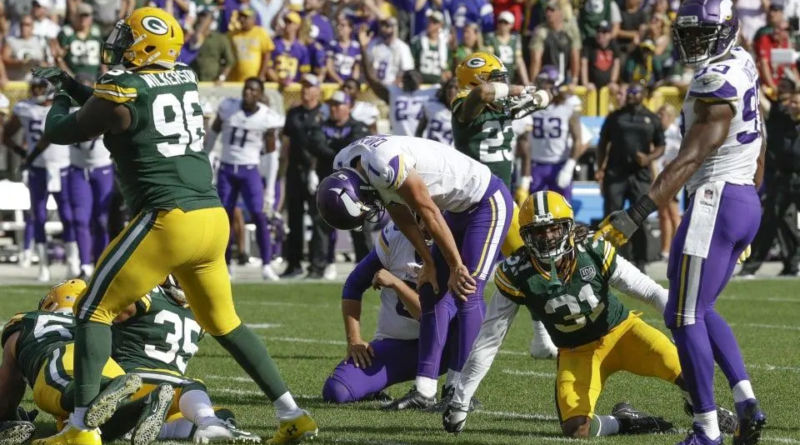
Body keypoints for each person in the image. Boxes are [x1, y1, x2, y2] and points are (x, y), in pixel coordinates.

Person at [31, 7, 317, 444]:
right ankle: (292, 414)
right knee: (225, 323)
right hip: (211, 218)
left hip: (167, 218)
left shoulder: (121, 87)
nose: (120, 44)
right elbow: (116, 103)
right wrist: (71, 83)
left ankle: (80, 427)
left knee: (92, 310)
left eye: (128, 37)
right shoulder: (182, 74)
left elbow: (66, 130)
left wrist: (58, 97)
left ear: (146, 46)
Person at [595, 1, 768, 443]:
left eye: (702, 34)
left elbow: (691, 157)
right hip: (741, 198)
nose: (694, 42)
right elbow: (760, 140)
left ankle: (706, 428)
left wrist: (636, 215)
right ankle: (746, 400)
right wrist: (749, 200)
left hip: (716, 199)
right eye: (689, 34)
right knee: (695, 309)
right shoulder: (741, 63)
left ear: (726, 29)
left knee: (682, 315)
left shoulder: (714, 80)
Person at [442, 191, 736, 438]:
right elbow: (489, 340)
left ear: (568, 226)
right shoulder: (515, 273)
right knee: (575, 428)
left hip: (623, 333)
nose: (547, 238)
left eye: (553, 228)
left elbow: (651, 292)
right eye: (538, 231)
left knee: (693, 372)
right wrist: (461, 400)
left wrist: (686, 328)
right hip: (576, 351)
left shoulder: (593, 250)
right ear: (525, 236)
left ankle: (702, 406)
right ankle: (626, 421)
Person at [316, 134, 514, 410]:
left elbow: (428, 211)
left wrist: (456, 265)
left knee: (467, 290)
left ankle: (458, 393)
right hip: (452, 208)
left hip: (484, 201)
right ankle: (424, 391)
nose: (371, 209)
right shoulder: (347, 162)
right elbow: (398, 209)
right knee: (430, 291)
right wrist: (428, 262)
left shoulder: (382, 165)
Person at [0, 279, 174, 445]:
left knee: (61, 392)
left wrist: (7, 414)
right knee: (94, 425)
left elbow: (7, 385)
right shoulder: (98, 322)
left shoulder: (28, 320)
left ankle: (109, 387)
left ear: (50, 304)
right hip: (104, 362)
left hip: (61, 356)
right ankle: (145, 402)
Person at [322, 222, 460, 404]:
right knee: (337, 390)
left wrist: (397, 284)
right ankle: (372, 388)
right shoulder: (396, 235)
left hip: (443, 348)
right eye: (418, 216)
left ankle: (446, 390)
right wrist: (354, 340)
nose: (425, 225)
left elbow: (431, 315)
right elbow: (353, 286)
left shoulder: (454, 242)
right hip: (396, 345)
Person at [112, 277, 260, 443]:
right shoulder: (146, 294)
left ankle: (142, 428)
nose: (190, 280)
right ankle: (209, 424)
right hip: (132, 381)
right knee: (193, 389)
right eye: (184, 274)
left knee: (223, 415)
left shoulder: (200, 311)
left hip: (169, 395)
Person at [205, 78, 284, 281]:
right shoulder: (228, 107)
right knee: (225, 219)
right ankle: (226, 264)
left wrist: (270, 191)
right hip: (226, 169)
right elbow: (213, 134)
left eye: (254, 90)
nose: (249, 92)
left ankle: (266, 265)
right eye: (247, 88)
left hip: (250, 170)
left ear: (260, 95)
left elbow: (271, 155)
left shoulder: (267, 117)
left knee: (259, 215)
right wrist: (205, 159)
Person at [4, 78, 78, 282]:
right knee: (38, 215)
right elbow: (6, 135)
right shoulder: (24, 108)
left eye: (40, 88)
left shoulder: (64, 107)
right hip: (38, 168)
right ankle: (43, 265)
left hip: (63, 165)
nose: (36, 92)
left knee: (67, 214)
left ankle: (73, 262)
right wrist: (22, 153)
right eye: (34, 87)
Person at [595, 85, 665, 272]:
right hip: (615, 174)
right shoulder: (615, 117)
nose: (633, 96)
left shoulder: (651, 118)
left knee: (639, 216)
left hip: (639, 175)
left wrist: (649, 158)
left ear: (644, 95)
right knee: (612, 215)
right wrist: (600, 168)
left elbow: (661, 146)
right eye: (630, 93)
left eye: (636, 93)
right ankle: (610, 257)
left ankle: (641, 260)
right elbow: (602, 144)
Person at [739, 78, 800, 277]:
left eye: (794, 101)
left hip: (795, 179)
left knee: (787, 222)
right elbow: (762, 101)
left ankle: (793, 263)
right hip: (781, 179)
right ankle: (759, 265)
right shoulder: (779, 116)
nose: (790, 104)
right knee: (775, 221)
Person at [309, 91, 371, 279]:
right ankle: (317, 267)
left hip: (354, 187)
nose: (333, 109)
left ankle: (368, 268)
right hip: (327, 184)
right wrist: (341, 150)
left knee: (360, 225)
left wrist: (335, 148)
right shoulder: (321, 126)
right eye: (331, 105)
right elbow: (318, 146)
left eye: (338, 105)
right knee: (320, 224)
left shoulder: (358, 126)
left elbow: (355, 146)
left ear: (348, 106)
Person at [279, 74, 333, 278]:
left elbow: (325, 144)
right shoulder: (293, 113)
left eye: (310, 87)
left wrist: (316, 169)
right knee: (294, 219)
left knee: (318, 219)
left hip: (318, 171)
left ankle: (317, 265)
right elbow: (287, 143)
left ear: (318, 90)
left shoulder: (325, 113)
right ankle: (293, 264)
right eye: (304, 86)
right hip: (295, 169)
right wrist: (281, 171)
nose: (305, 90)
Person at [67, 74, 115, 280]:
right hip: (78, 170)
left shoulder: (107, 111)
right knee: (79, 219)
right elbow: (48, 136)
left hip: (103, 169)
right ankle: (84, 264)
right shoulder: (69, 113)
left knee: (102, 220)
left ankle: (100, 263)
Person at [360, 24, 436, 137]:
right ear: (402, 80)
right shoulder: (393, 93)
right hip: (399, 143)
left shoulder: (429, 94)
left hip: (422, 144)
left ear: (421, 81)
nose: (411, 77)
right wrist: (363, 48)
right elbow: (370, 78)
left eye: (414, 76)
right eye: (408, 76)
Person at [528, 65, 584, 202]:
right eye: (541, 82)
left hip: (559, 165)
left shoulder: (567, 106)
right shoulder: (529, 104)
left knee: (563, 211)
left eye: (548, 82)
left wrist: (569, 167)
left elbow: (578, 139)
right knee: (534, 212)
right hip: (535, 165)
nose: (544, 86)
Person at [655, 104, 682, 261]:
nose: (660, 118)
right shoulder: (660, 133)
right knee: (663, 214)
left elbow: (683, 152)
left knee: (673, 212)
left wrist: (672, 164)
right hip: (659, 176)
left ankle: (677, 248)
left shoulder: (675, 133)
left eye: (662, 115)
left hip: (672, 177)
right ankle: (665, 249)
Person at [55, 3, 104, 79]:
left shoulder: (96, 32)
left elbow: (103, 56)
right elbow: (59, 58)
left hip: (94, 76)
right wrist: (69, 75)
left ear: (91, 17)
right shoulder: (67, 33)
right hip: (74, 76)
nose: (83, 19)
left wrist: (104, 74)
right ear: (75, 16)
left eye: (86, 16)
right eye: (80, 16)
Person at [228, 8, 274, 82]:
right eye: (241, 17)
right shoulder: (232, 35)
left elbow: (266, 56)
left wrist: (261, 75)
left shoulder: (260, 33)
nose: (242, 19)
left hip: (253, 79)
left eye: (246, 17)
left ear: (253, 19)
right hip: (234, 79)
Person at [365, 18, 414, 87]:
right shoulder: (374, 44)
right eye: (382, 25)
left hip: (394, 87)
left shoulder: (402, 47)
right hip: (375, 86)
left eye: (387, 26)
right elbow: (367, 65)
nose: (383, 28)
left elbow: (407, 71)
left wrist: (394, 86)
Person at [484, 11, 529, 85]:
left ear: (511, 25)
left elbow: (519, 61)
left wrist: (526, 81)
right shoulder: (491, 38)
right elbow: (489, 59)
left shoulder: (515, 39)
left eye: (505, 22)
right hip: (495, 80)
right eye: (500, 22)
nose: (502, 25)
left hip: (512, 78)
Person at [267, 11, 310, 85]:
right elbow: (268, 67)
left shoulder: (301, 48)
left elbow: (304, 72)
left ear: (297, 26)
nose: (287, 25)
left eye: (290, 22)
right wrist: (278, 80)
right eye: (285, 22)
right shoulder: (274, 43)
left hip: (293, 88)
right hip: (274, 85)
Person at [410, 10, 450, 84]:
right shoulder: (417, 42)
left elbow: (447, 69)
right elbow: (410, 65)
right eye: (429, 21)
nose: (430, 24)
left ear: (440, 25)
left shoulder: (445, 46)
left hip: (437, 86)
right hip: (419, 86)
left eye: (434, 22)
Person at [416, 78, 457, 147]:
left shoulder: (464, 113)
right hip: (431, 151)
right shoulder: (432, 106)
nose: (452, 90)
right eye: (450, 87)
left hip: (450, 154)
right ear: (444, 89)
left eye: (456, 88)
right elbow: (419, 130)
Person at [326, 15, 361, 85]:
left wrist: (352, 82)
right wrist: (339, 81)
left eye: (343, 25)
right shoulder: (333, 44)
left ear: (350, 29)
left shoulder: (356, 46)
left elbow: (356, 68)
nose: (339, 28)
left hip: (349, 83)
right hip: (334, 83)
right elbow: (329, 66)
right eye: (338, 25)